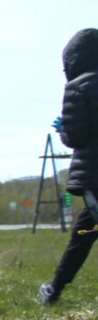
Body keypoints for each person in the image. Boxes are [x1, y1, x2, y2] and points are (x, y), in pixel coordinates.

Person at [40, 29, 98, 305]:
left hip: (95, 179)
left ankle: (54, 290)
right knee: (84, 233)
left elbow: (76, 136)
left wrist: (64, 130)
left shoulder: (78, 87)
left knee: (82, 237)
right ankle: (54, 289)